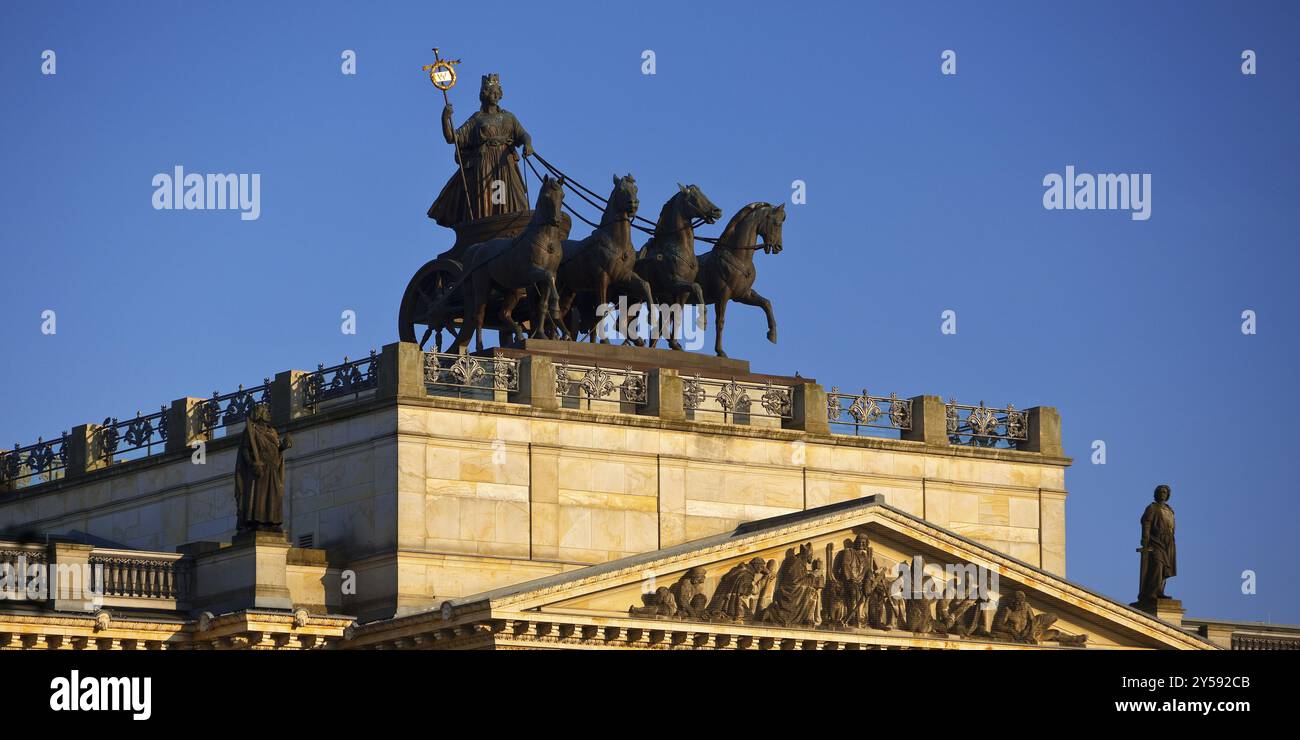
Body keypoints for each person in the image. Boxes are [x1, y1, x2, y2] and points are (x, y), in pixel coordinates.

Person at [427, 73, 534, 228]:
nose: (495, 95)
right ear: (484, 93)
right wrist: (445, 118)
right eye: (492, 92)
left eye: (498, 92)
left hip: (504, 162)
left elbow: (523, 135)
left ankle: (510, 224)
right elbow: (452, 138)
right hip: (485, 163)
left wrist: (528, 144)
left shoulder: (509, 117)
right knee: (487, 198)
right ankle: (487, 226)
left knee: (510, 197)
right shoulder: (477, 119)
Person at [233, 405, 293, 531]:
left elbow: (277, 450)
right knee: (259, 496)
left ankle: (273, 522)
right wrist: (252, 464)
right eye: (265, 411)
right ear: (259, 414)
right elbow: (245, 450)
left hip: (272, 469)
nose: (268, 413)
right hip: (259, 470)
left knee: (273, 496)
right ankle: (258, 521)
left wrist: (283, 446)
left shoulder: (272, 432)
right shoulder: (251, 430)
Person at [1137, 484, 1177, 601]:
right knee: (1157, 564)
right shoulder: (1152, 508)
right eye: (1160, 492)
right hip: (1155, 540)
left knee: (1165, 568)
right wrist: (1145, 537)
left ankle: (1160, 591)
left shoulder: (1170, 510)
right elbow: (1146, 522)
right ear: (1156, 494)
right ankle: (1150, 592)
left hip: (1168, 542)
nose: (1162, 494)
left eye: (1165, 492)